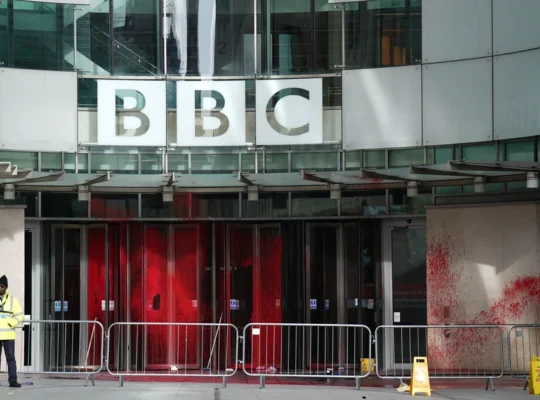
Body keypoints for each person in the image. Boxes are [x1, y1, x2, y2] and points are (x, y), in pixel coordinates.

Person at [0, 275, 23, 388]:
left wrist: (11, 323)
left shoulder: (13, 301)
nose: (0, 288)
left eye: (2, 286)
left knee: (11, 359)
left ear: (6, 287)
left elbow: (19, 316)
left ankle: (13, 380)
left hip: (8, 334)